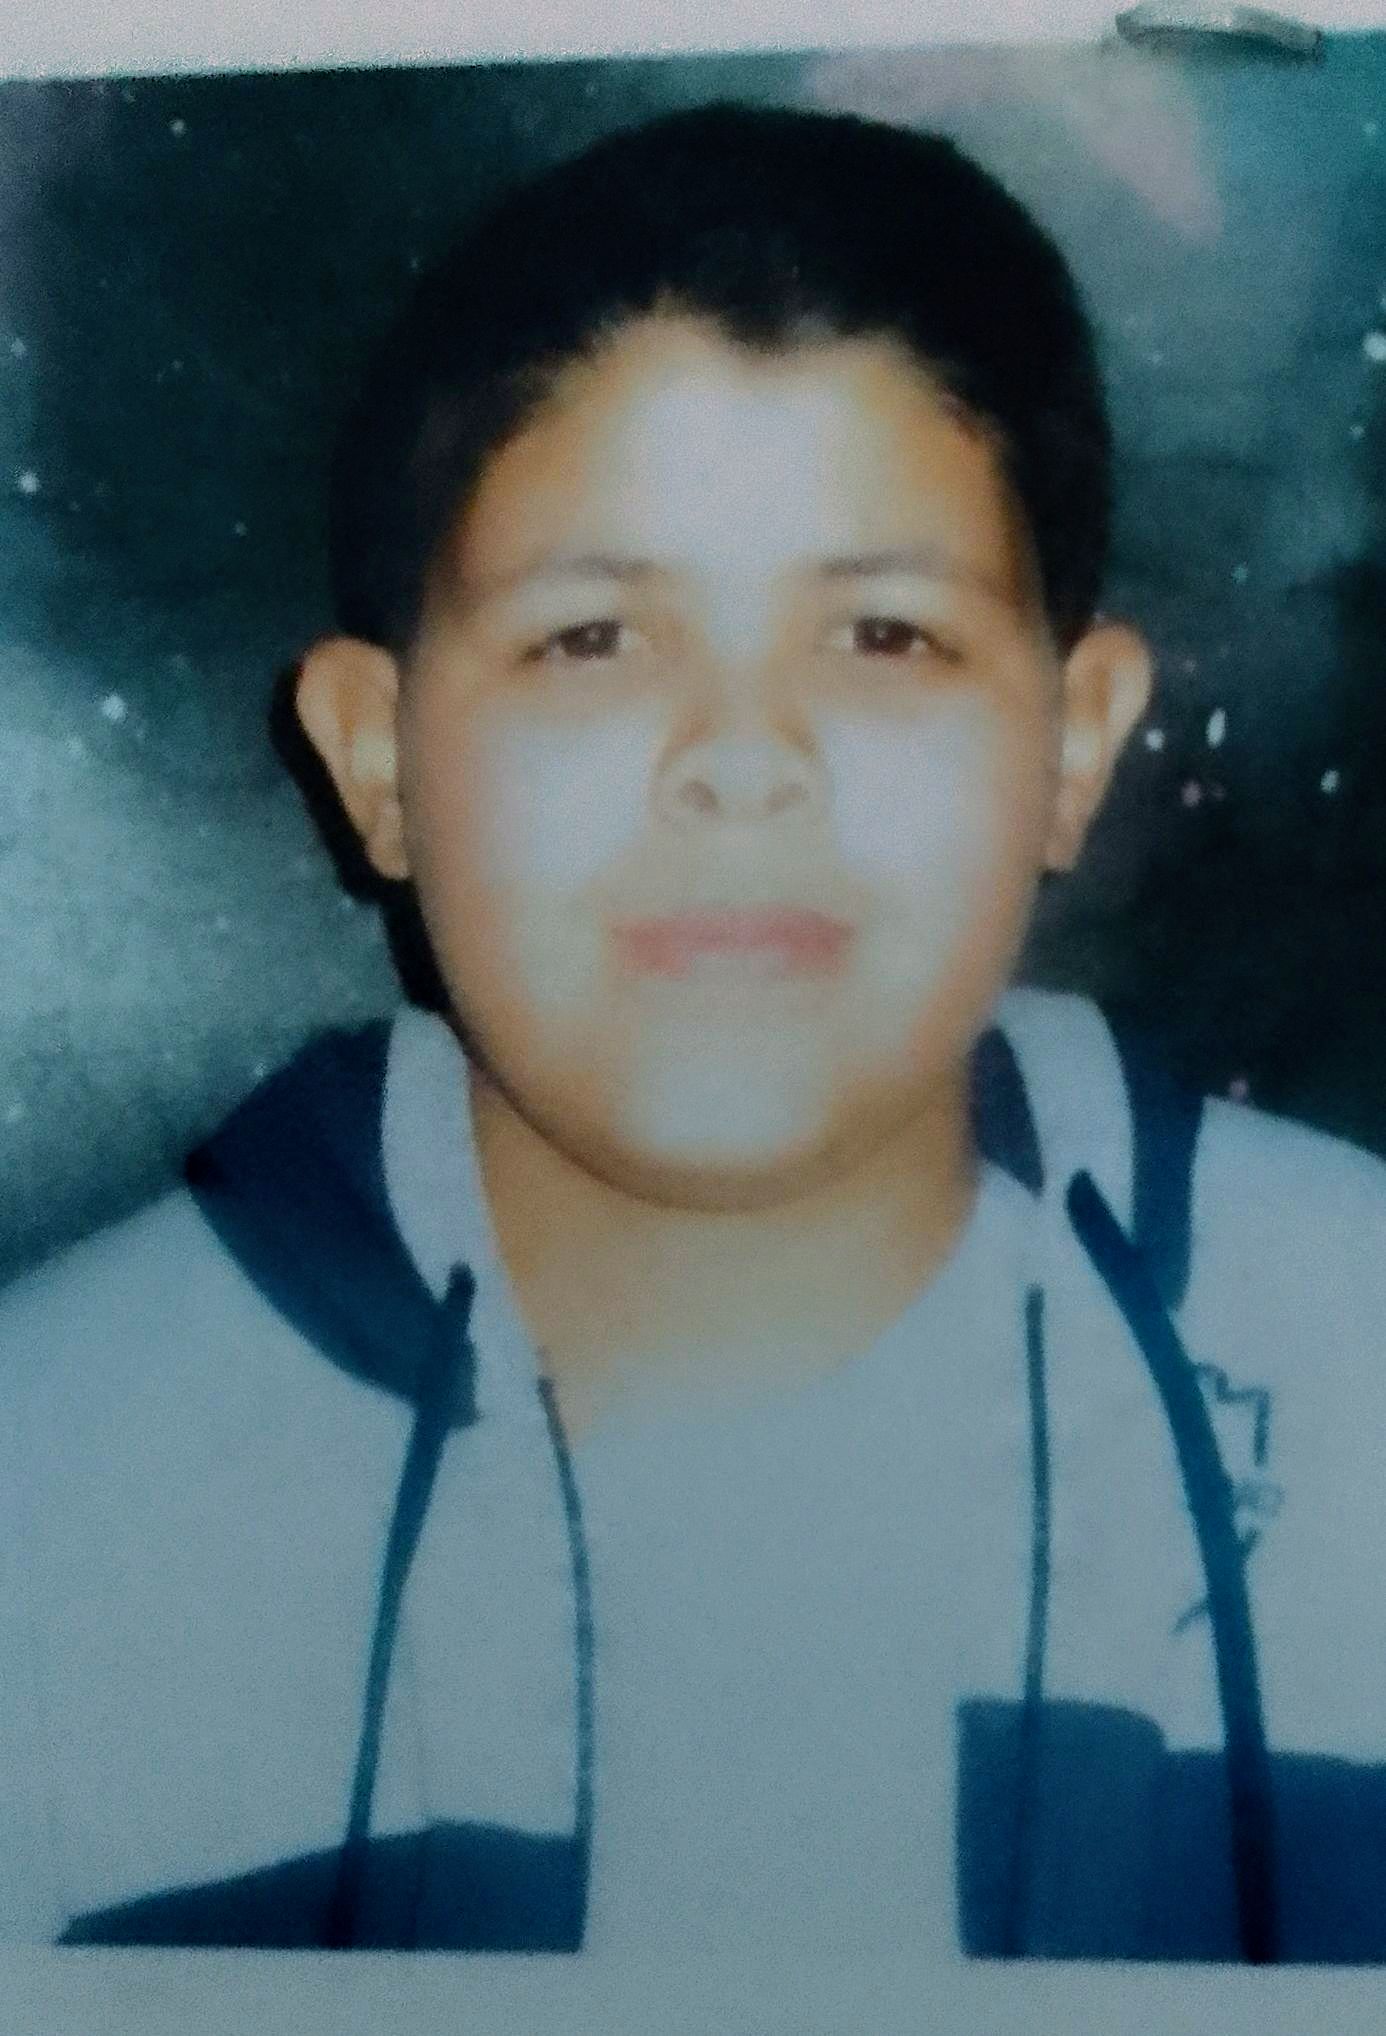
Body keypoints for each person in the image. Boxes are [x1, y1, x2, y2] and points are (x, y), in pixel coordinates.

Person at [3, 100, 1386, 1963]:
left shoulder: (1357, 1377)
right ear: (376, 758)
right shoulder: (50, 1507)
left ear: (1072, 740)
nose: (742, 761)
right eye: (591, 639)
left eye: (882, 635)